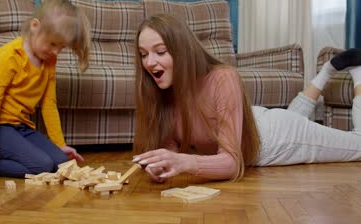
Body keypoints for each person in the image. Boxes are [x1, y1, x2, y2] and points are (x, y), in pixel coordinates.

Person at [132, 13, 361, 182]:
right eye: (143, 55)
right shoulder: (164, 93)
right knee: (291, 116)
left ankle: (358, 74)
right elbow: (171, 149)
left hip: (276, 139)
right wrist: (162, 165)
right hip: (252, 121)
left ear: (182, 50)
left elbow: (232, 163)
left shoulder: (223, 77)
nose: (150, 62)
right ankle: (328, 71)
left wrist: (185, 162)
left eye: (160, 52)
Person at [0, 0, 91, 178]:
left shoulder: (49, 60)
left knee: (62, 164)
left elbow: (49, 104)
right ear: (35, 26)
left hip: (21, 126)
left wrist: (59, 144)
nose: (55, 52)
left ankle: (11, 159)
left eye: (61, 48)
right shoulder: (9, 56)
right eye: (53, 44)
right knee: (44, 166)